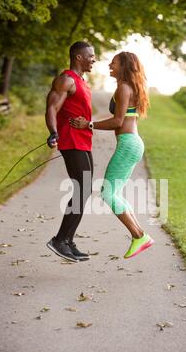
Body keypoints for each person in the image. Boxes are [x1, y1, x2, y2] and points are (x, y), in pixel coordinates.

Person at [70, 51, 154, 259]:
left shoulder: (123, 88)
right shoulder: (129, 87)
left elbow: (117, 122)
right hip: (131, 143)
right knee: (113, 192)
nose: (109, 64)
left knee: (108, 192)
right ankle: (140, 236)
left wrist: (88, 124)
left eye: (114, 62)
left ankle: (138, 235)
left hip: (128, 144)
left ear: (123, 66)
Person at [45, 41, 96, 262]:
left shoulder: (82, 82)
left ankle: (67, 241)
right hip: (70, 139)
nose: (94, 59)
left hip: (84, 140)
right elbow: (52, 107)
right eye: (91, 56)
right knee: (82, 188)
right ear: (78, 57)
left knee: (85, 190)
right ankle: (60, 239)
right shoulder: (66, 80)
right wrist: (53, 131)